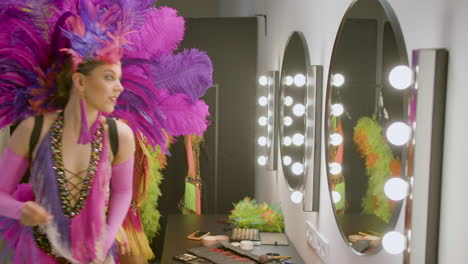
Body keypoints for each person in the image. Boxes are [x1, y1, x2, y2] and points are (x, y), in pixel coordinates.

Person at [0, 1, 213, 263]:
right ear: (80, 81)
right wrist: (21, 208)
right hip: (40, 254)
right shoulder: (33, 131)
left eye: (120, 78)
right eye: (110, 77)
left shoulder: (119, 136)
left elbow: (123, 192)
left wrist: (110, 234)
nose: (120, 88)